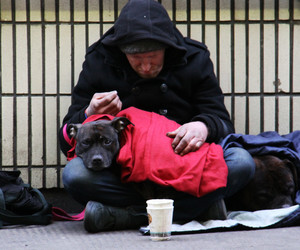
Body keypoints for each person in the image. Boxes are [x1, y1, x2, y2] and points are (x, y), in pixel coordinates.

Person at [59, 0, 255, 233]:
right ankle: (196, 209)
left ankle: (123, 216)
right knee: (74, 175)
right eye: (136, 59)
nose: (145, 66)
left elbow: (222, 122)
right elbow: (67, 139)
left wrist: (202, 126)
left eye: (153, 56)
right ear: (122, 52)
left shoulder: (194, 57)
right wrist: (90, 112)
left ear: (167, 47)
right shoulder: (99, 60)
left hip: (182, 165)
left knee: (242, 162)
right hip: (125, 173)